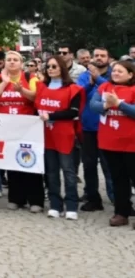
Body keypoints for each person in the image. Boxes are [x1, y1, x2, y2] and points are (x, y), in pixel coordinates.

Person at [0, 50, 41, 212]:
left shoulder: (30, 78)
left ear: (21, 63)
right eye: (9, 59)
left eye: (15, 60)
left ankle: (35, 200)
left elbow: (37, 96)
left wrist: (22, 91)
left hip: (28, 127)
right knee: (12, 163)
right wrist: (4, 83)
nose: (11, 62)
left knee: (31, 162)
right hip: (7, 128)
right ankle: (16, 198)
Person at [35, 54, 84, 220]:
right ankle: (55, 204)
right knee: (51, 172)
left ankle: (71, 204)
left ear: (62, 68)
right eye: (48, 66)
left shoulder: (73, 89)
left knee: (69, 172)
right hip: (46, 135)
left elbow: (73, 112)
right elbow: (36, 108)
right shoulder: (41, 87)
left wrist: (51, 116)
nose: (50, 69)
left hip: (64, 135)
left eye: (54, 66)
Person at [88, 59, 135, 228]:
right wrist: (106, 105)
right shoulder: (104, 87)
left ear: (130, 75)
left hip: (132, 142)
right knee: (118, 179)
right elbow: (93, 105)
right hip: (110, 142)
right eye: (114, 70)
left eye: (120, 71)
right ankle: (121, 212)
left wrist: (119, 104)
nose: (115, 73)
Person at [77, 49, 113, 211]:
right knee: (89, 165)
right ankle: (93, 198)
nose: (99, 58)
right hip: (89, 127)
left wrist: (97, 79)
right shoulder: (84, 76)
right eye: (96, 55)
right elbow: (78, 94)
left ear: (108, 58)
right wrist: (90, 83)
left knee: (110, 165)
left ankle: (117, 198)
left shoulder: (115, 74)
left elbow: (111, 91)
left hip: (110, 128)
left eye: (102, 56)